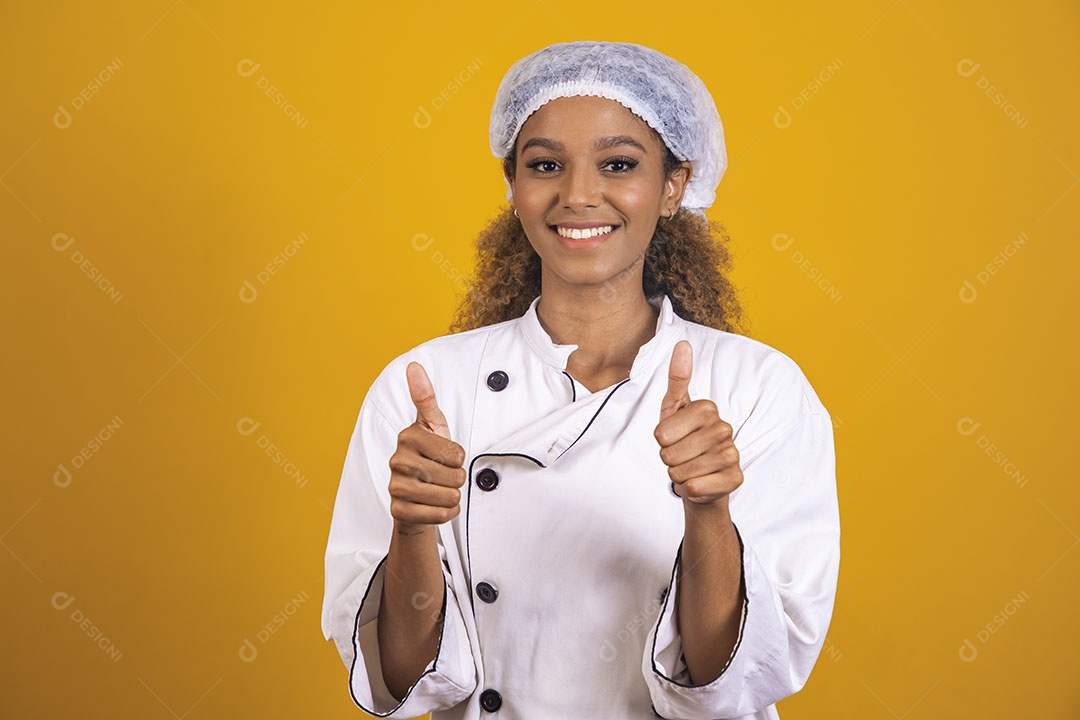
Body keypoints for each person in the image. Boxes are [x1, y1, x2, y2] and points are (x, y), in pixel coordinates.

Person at [321, 40, 840, 720]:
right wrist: (414, 531)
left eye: (618, 164)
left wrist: (709, 510)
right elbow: (402, 681)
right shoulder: (424, 386)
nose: (578, 195)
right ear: (513, 186)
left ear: (675, 185)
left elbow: (729, 685)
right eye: (545, 165)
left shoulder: (759, 387)